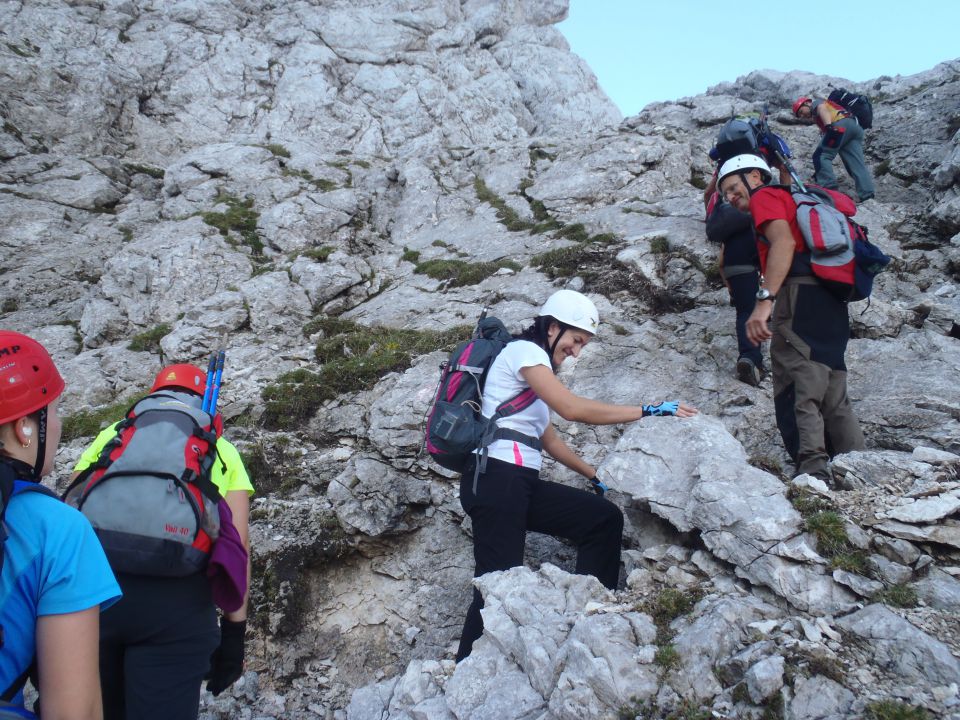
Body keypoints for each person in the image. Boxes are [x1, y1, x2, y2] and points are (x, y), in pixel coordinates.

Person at [455, 290, 698, 661]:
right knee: (496, 584)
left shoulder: (536, 374)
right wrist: (647, 410)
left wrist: (594, 475)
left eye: (582, 344)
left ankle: (592, 618)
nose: (576, 351)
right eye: (575, 340)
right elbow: (571, 409)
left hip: (516, 484)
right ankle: (466, 668)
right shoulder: (525, 353)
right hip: (494, 480)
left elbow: (549, 440)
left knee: (600, 518)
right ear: (552, 327)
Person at [71, 363, 254, 720]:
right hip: (178, 607)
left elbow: (70, 511)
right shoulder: (220, 448)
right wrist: (234, 634)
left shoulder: (114, 435)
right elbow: (237, 549)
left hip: (96, 597)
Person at [716, 155, 865, 483]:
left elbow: (783, 243)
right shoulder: (794, 197)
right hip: (831, 301)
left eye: (731, 188)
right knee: (834, 389)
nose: (728, 197)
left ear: (754, 176)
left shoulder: (766, 197)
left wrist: (764, 302)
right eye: (724, 193)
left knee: (798, 383)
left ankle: (814, 473)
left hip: (798, 298)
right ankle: (859, 469)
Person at [0, 331, 121, 719]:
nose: (58, 422)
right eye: (51, 410)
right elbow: (74, 711)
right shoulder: (57, 527)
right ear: (24, 428)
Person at [704, 169, 766, 386]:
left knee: (744, 312)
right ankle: (754, 358)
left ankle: (749, 357)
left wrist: (728, 282)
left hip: (734, 265)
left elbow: (721, 260)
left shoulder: (730, 223)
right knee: (762, 310)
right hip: (759, 264)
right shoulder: (754, 213)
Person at [792, 96, 875, 202]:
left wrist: (828, 126)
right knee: (856, 164)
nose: (802, 116)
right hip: (855, 127)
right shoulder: (823, 112)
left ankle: (828, 188)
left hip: (840, 125)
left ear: (806, 103)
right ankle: (867, 194)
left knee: (820, 156)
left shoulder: (816, 103)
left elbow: (822, 108)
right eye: (800, 116)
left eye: (801, 112)